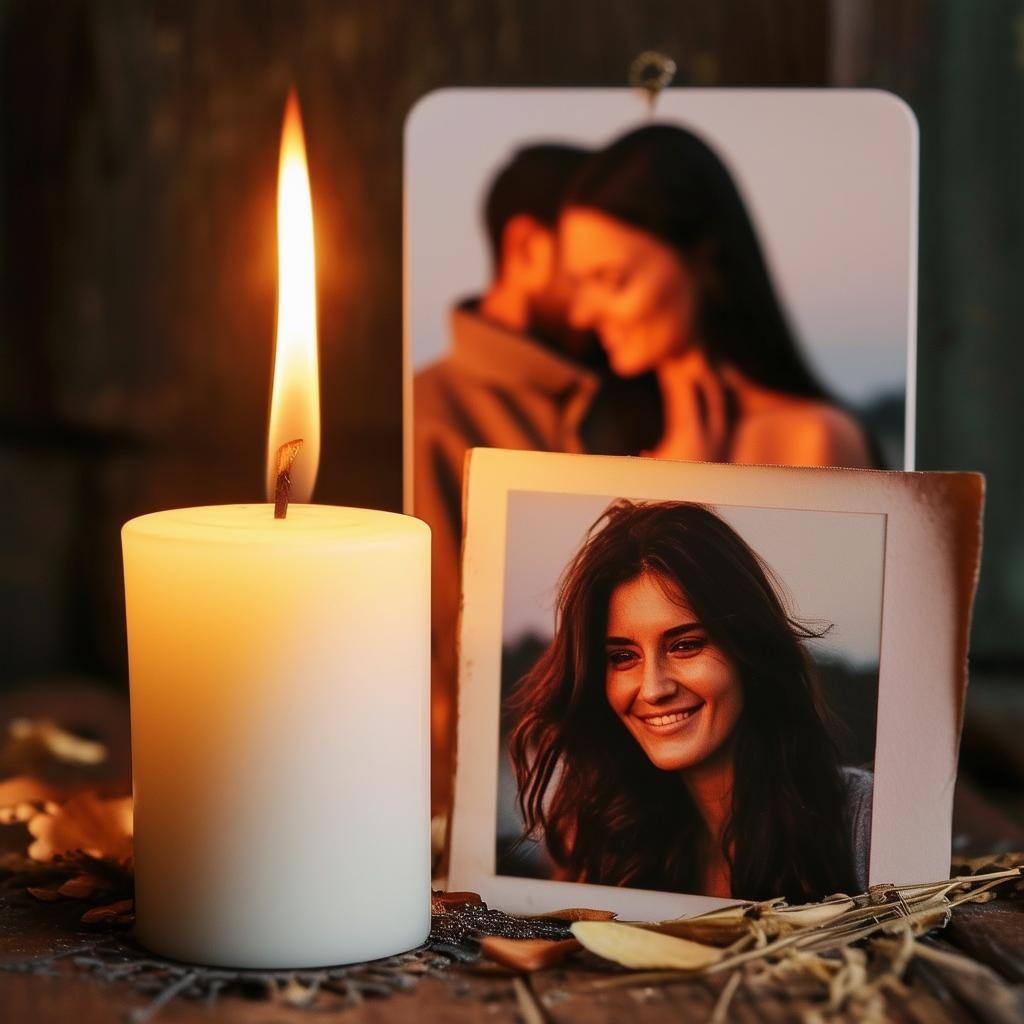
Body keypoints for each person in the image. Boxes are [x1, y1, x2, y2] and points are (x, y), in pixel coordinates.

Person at [506, 500, 873, 902]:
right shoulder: (604, 842)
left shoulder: (863, 825)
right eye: (623, 657)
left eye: (685, 645)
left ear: (747, 650)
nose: (652, 688)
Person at [415, 144, 607, 812]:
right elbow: (445, 661)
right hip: (496, 810)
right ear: (528, 246)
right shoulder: (431, 417)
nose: (598, 301)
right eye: (590, 264)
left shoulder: (631, 391)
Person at [558, 124, 877, 468]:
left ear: (704, 258)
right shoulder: (587, 424)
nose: (582, 315)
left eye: (612, 281)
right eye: (578, 284)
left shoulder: (810, 438)